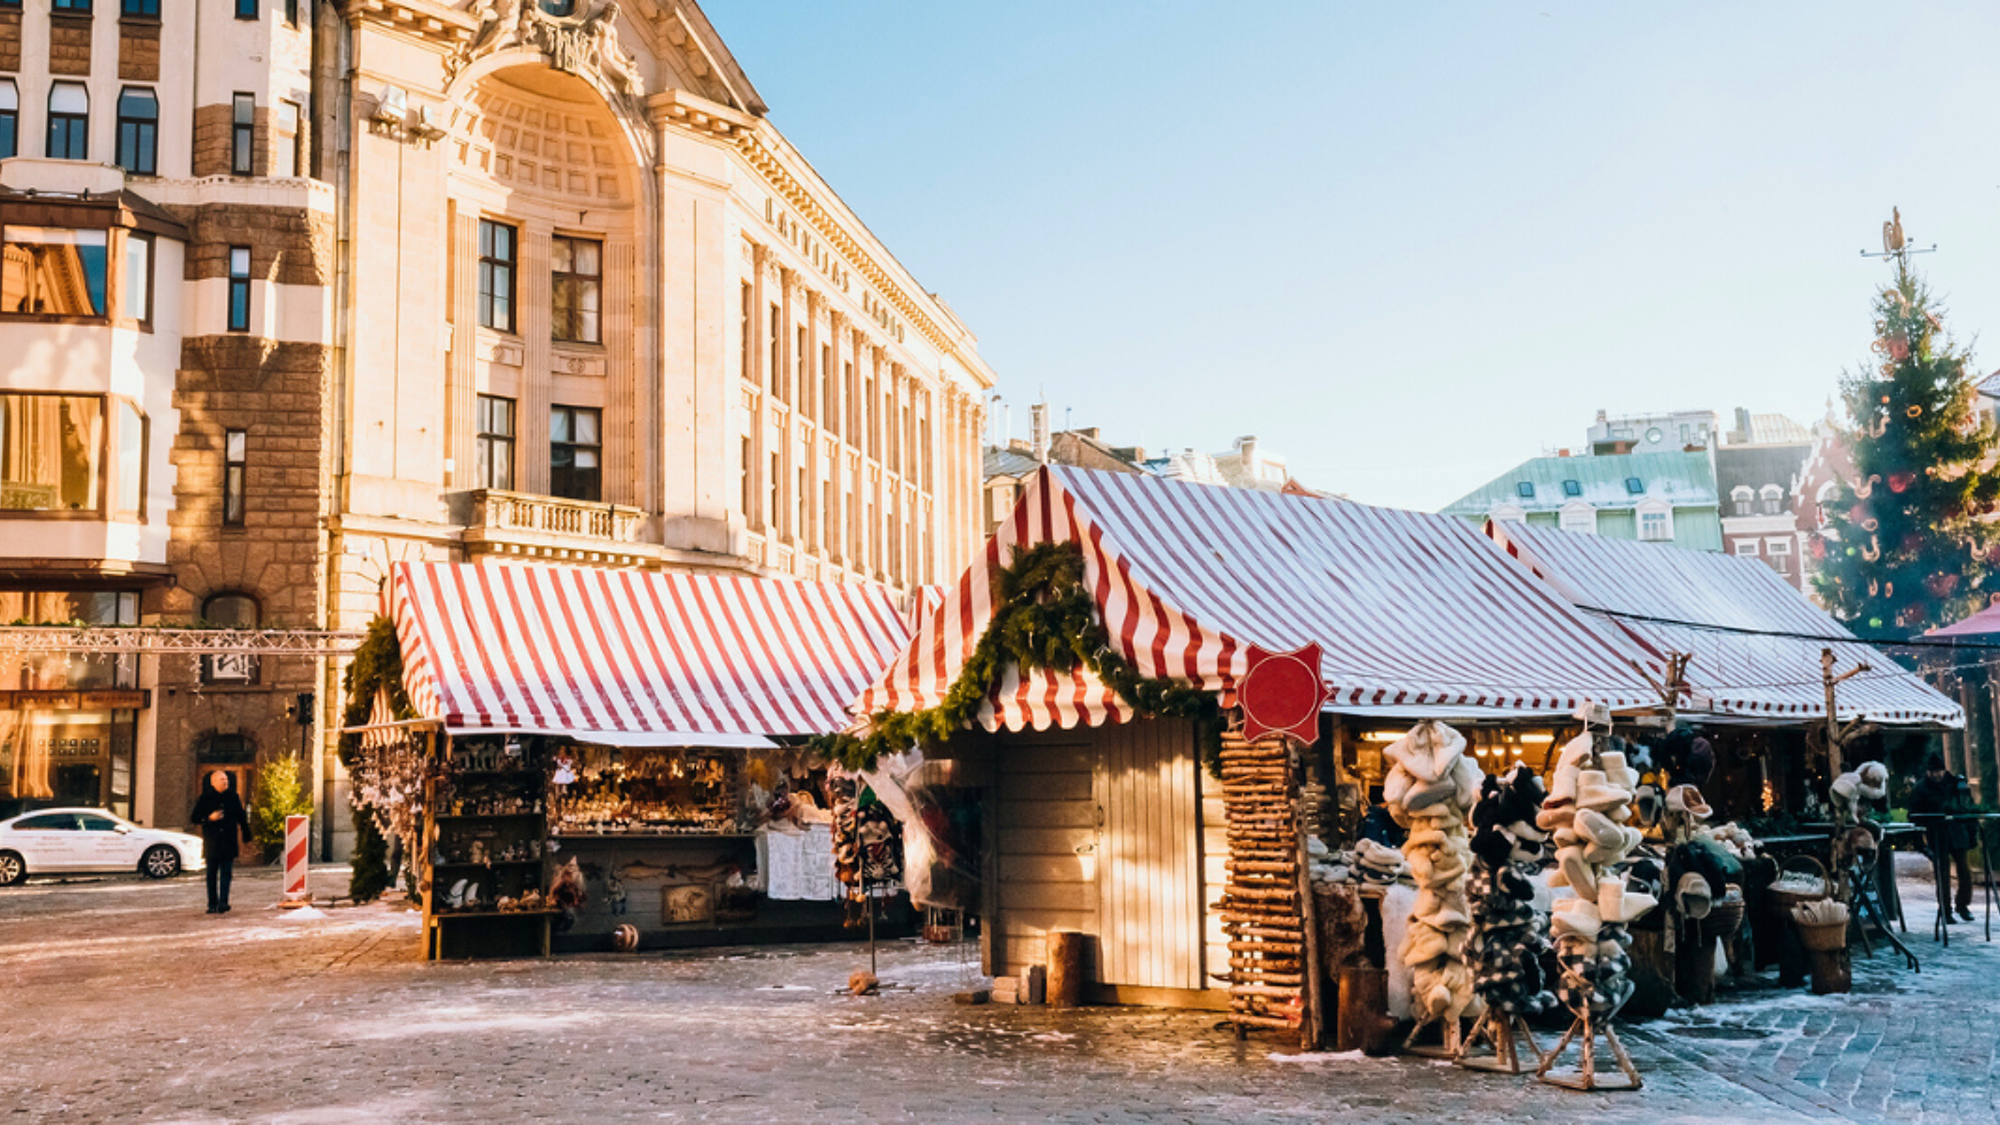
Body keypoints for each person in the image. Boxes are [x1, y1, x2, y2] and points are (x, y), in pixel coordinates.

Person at [1908, 753, 1976, 923]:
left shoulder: (1955, 784)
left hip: (1957, 832)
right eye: (1934, 772)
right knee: (1942, 874)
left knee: (1965, 872)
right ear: (1928, 772)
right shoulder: (1921, 788)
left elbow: (1967, 808)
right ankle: (1945, 910)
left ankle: (1963, 905)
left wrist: (1971, 834)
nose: (1937, 775)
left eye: (1940, 771)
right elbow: (1914, 815)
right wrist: (1920, 841)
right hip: (1937, 834)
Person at [190, 770, 251, 914]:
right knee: (211, 874)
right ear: (214, 782)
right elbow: (194, 817)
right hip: (212, 841)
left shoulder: (233, 796)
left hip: (228, 840)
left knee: (226, 873)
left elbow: (241, 816)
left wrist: (246, 834)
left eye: (226, 779)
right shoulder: (205, 798)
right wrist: (209, 818)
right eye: (222, 779)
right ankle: (212, 903)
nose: (226, 782)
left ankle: (224, 902)